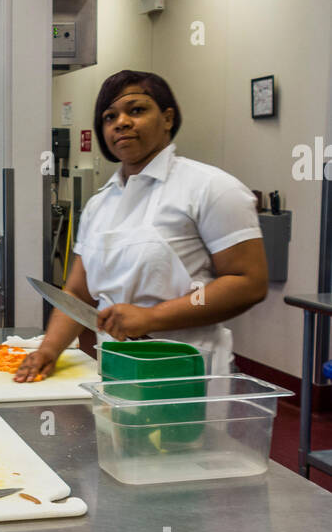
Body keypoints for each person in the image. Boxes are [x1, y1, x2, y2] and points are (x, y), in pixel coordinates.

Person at [16, 69, 268, 382]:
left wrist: (151, 317)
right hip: (114, 367)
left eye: (136, 110)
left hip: (186, 371)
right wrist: (48, 350)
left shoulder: (211, 188)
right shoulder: (99, 205)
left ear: (167, 118)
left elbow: (248, 281)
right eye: (109, 117)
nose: (121, 122)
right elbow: (79, 294)